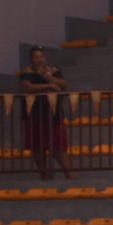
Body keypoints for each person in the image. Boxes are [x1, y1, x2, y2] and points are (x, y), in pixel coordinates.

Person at [18, 46, 72, 180]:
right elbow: (27, 87)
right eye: (36, 57)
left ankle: (68, 172)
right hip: (34, 113)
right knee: (37, 145)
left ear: (45, 58)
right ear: (31, 60)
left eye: (41, 57)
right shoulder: (27, 71)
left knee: (59, 144)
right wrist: (49, 86)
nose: (39, 60)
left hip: (54, 113)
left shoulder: (54, 71)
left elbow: (63, 84)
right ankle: (44, 173)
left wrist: (47, 77)